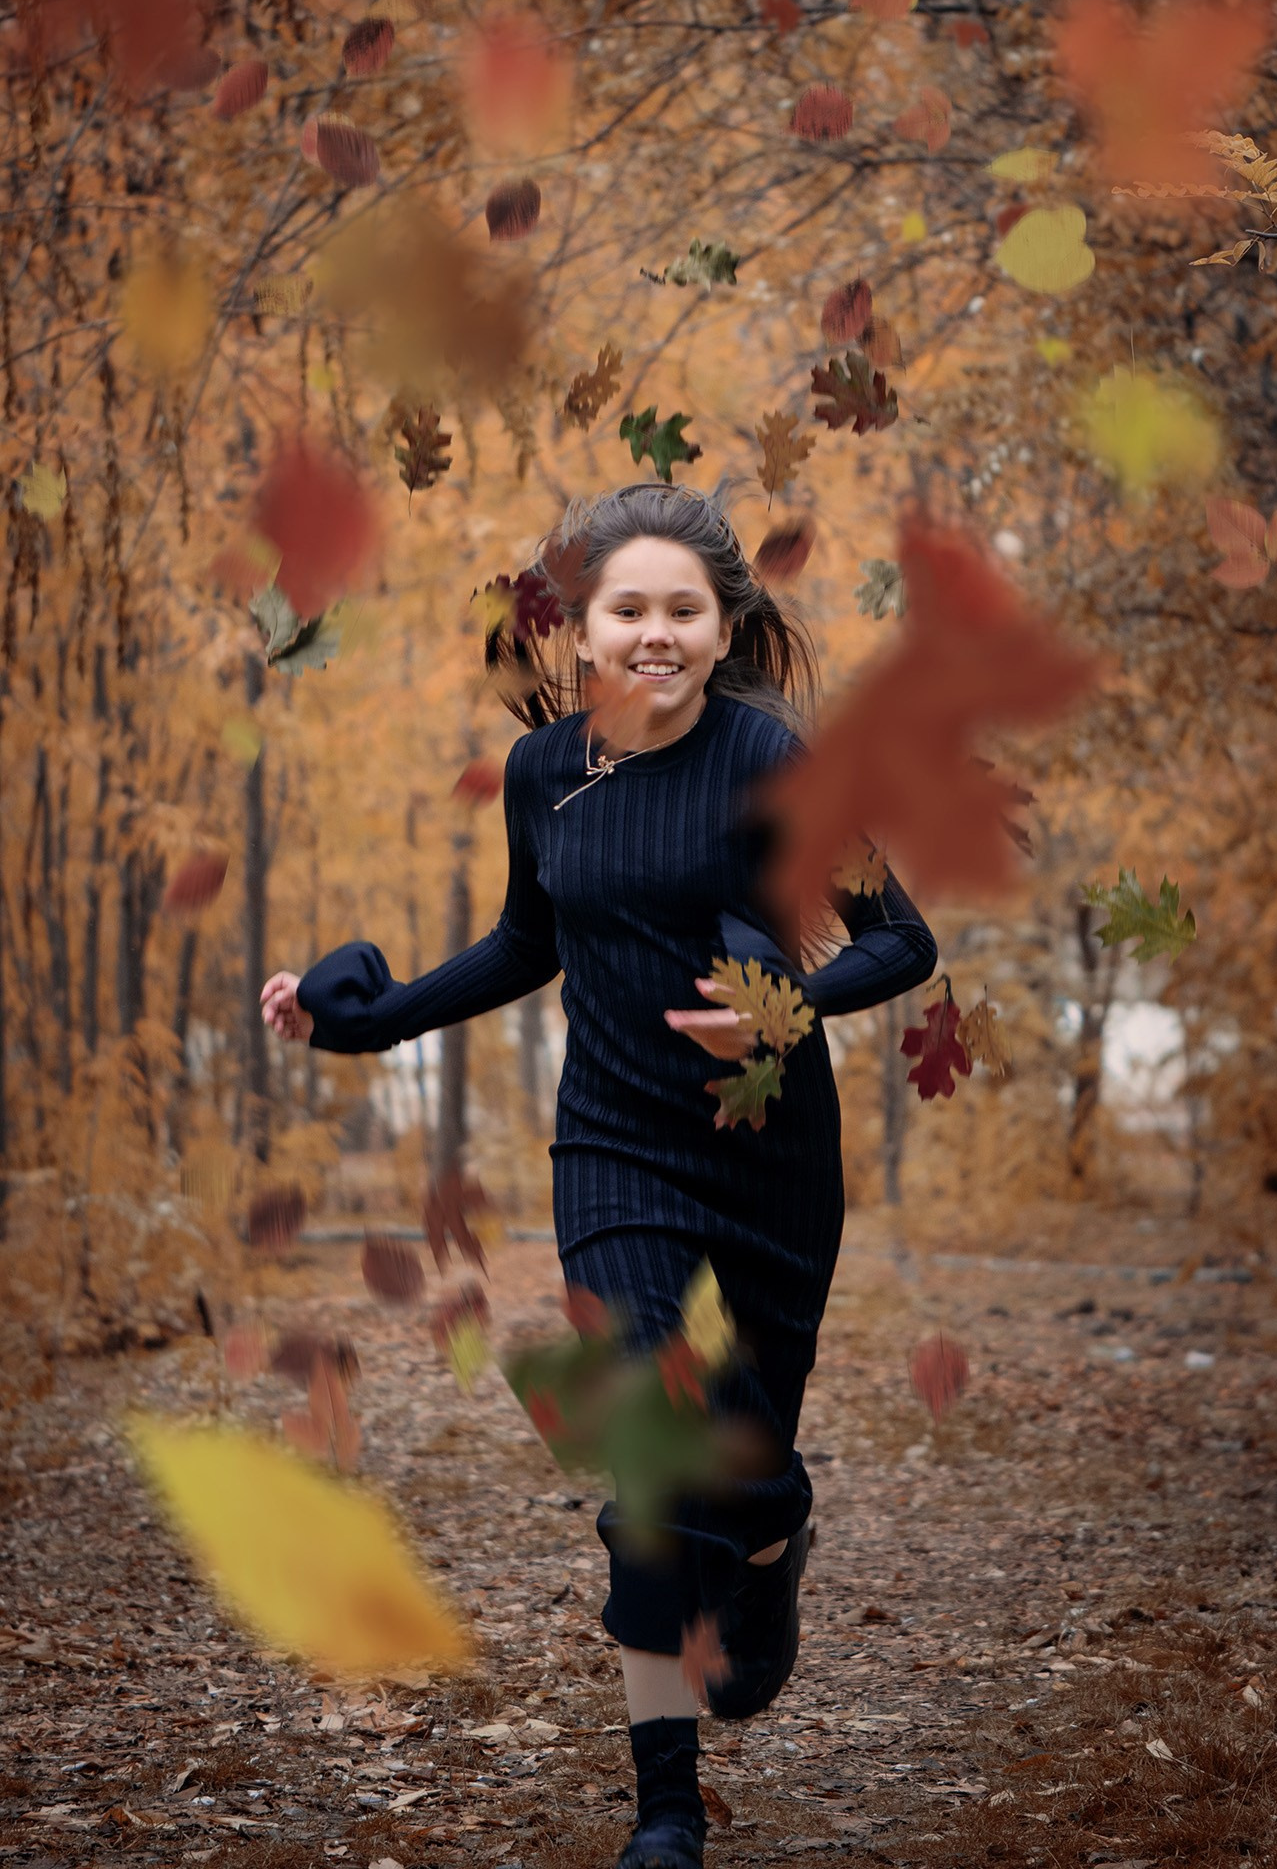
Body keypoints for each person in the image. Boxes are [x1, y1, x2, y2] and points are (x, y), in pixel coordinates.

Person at [261, 479, 937, 1869]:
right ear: (578, 629)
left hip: (767, 1163)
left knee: (726, 1475)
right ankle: (666, 1813)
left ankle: (763, 1541)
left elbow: (899, 939)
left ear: (722, 625)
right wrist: (359, 1017)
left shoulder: (775, 759)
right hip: (615, 1148)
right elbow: (525, 943)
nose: (653, 634)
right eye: (625, 609)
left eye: (681, 610)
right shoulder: (544, 772)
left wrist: (785, 1012)